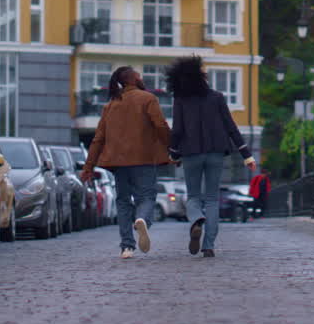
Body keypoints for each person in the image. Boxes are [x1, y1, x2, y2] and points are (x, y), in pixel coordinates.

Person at [166, 56, 256, 258]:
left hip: (191, 154)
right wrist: (247, 155)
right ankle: (208, 245)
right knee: (212, 198)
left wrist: (173, 152)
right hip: (216, 152)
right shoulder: (217, 97)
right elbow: (230, 127)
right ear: (201, 76)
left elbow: (178, 130)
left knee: (194, 196)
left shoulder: (180, 100)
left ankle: (197, 219)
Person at [80, 66, 171, 258]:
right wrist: (172, 149)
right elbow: (161, 126)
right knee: (146, 197)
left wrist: (88, 167)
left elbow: (98, 139)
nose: (141, 77)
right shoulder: (147, 98)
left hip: (117, 163)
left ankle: (127, 247)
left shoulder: (111, 105)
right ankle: (141, 219)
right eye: (139, 75)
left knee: (122, 202)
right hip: (144, 159)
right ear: (133, 79)